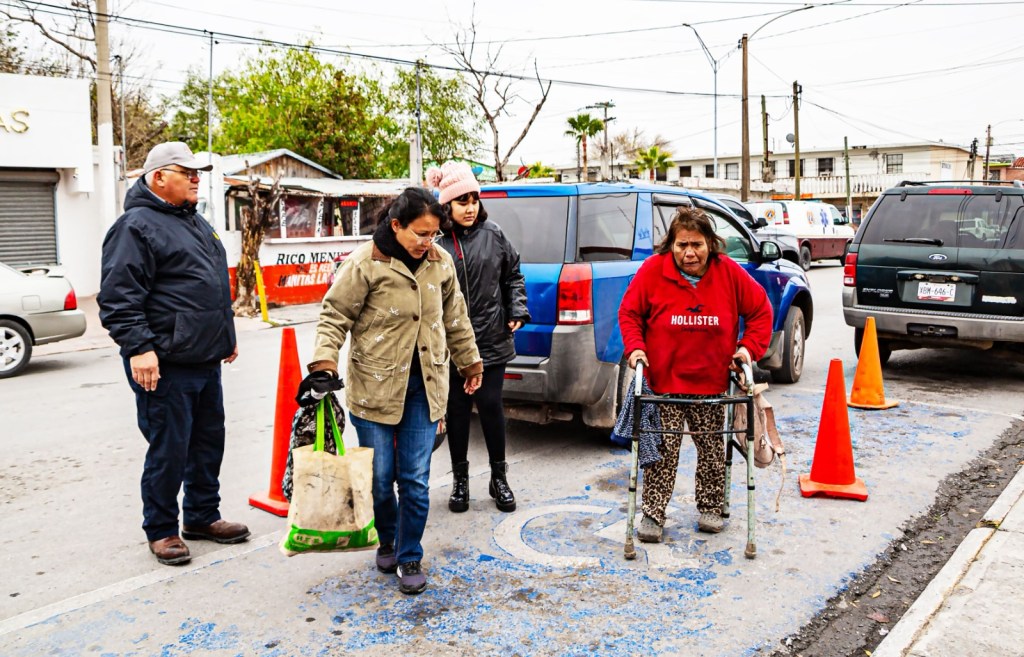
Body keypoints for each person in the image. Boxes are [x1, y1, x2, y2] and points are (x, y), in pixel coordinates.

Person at [301, 187, 483, 595]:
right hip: (375, 387)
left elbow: (456, 319)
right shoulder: (366, 263)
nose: (426, 243)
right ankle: (388, 537)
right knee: (382, 479)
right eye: (419, 233)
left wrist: (470, 363)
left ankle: (409, 554)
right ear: (396, 225)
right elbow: (334, 315)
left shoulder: (441, 264)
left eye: (433, 234)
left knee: (414, 479)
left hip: (426, 385)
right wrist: (324, 361)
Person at [98, 141, 249, 567]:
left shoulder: (196, 222)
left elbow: (211, 286)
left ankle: (202, 517)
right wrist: (139, 348)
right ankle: (161, 529)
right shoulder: (136, 226)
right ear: (159, 177)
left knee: (207, 442)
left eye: (199, 172)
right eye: (188, 172)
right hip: (164, 362)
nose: (197, 178)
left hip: (204, 357)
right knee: (169, 447)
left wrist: (227, 332)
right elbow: (118, 297)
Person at [618, 206, 772, 540]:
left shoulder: (728, 273)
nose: (689, 253)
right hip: (665, 382)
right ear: (670, 245)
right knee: (662, 454)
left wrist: (747, 349)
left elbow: (761, 311)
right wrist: (636, 348)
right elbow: (629, 313)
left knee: (714, 451)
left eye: (697, 245)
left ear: (710, 245)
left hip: (712, 383)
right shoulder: (653, 271)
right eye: (682, 245)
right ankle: (653, 516)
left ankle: (711, 507)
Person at [427, 162, 530, 514]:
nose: (470, 208)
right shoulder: (436, 243)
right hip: (451, 347)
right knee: (456, 412)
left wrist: (516, 309)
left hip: (491, 341)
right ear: (447, 207)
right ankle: (460, 481)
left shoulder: (494, 234)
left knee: (490, 409)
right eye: (461, 202)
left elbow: (513, 275)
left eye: (474, 200)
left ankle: (499, 478)